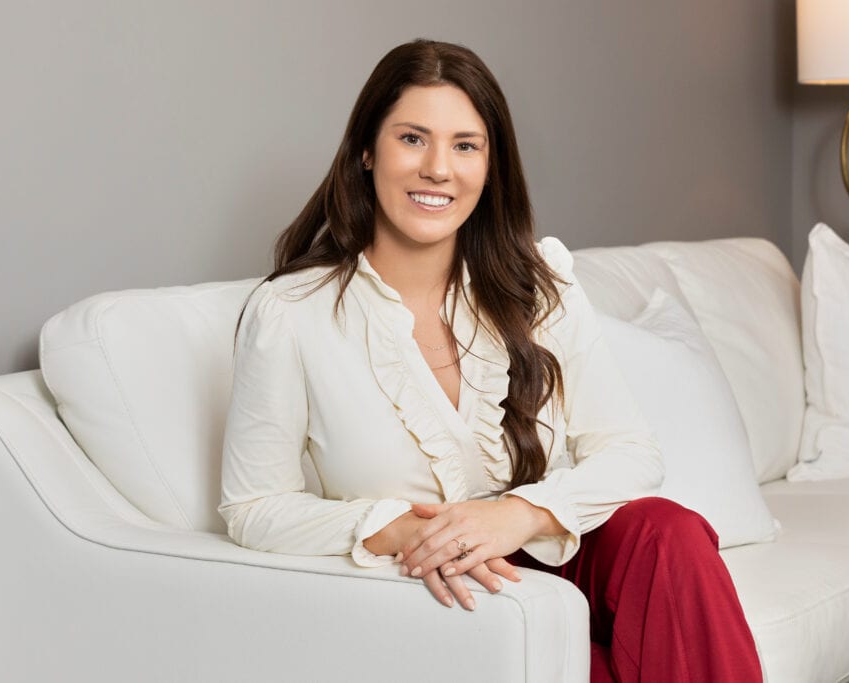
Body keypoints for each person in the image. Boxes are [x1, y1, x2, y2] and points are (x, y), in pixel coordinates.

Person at [218, 38, 762, 683]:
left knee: (667, 533)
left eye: (465, 145)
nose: (439, 169)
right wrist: (400, 530)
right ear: (367, 151)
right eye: (413, 139)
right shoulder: (291, 312)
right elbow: (254, 507)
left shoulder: (539, 283)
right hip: (427, 583)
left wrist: (517, 515)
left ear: (490, 164)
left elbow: (631, 451)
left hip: (542, 551)